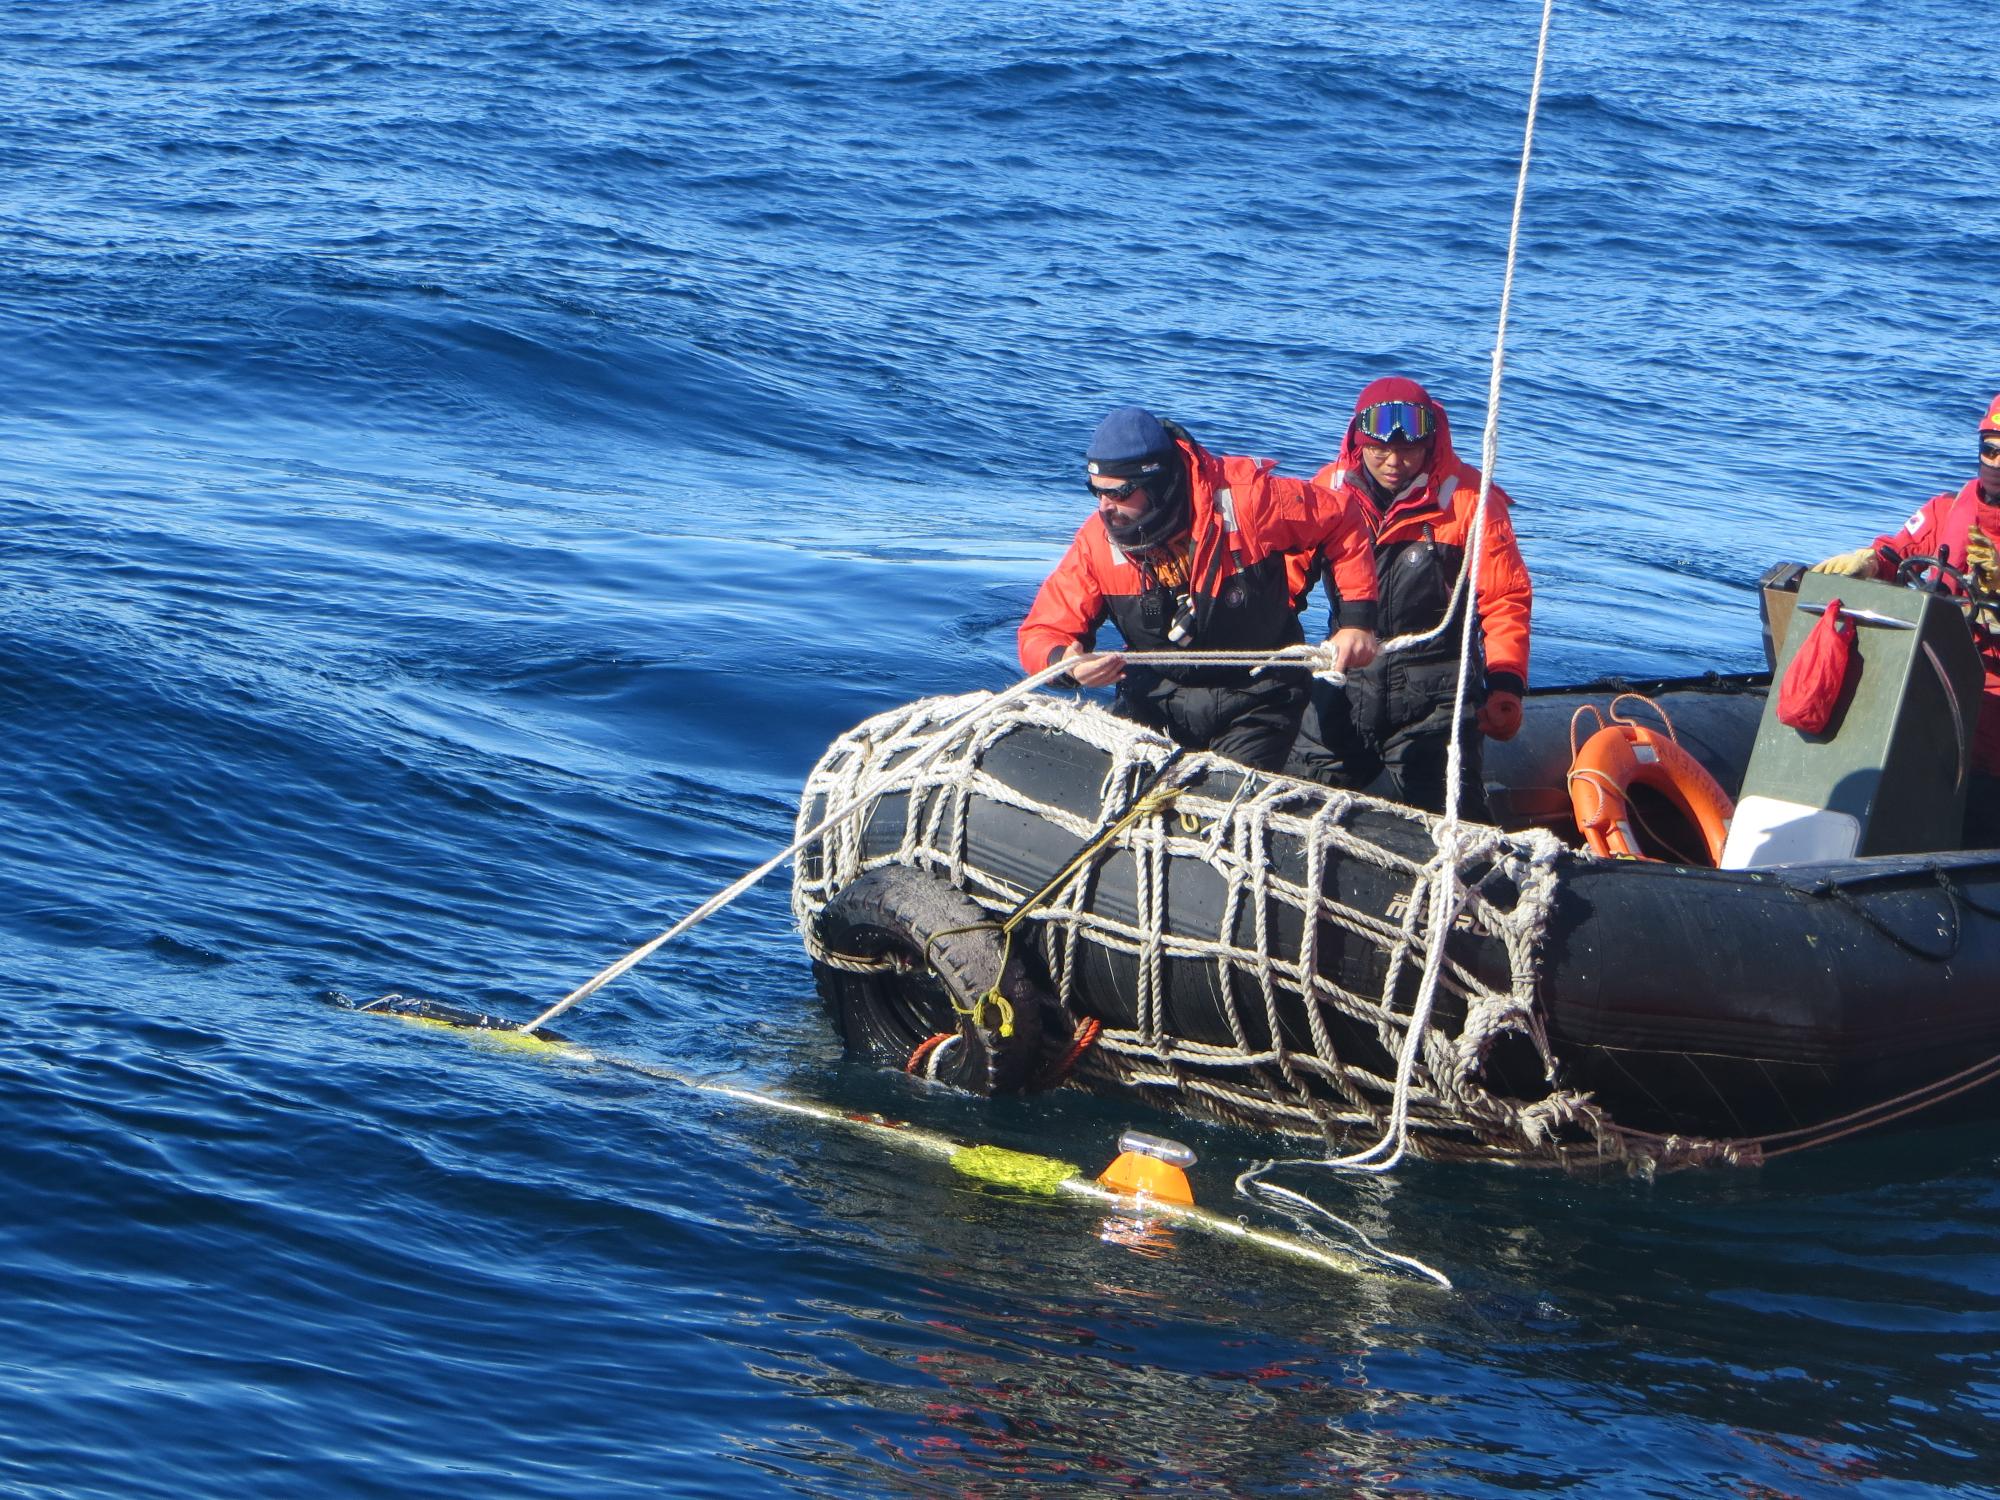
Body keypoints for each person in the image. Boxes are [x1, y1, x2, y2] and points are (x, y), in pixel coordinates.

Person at [1017, 405, 1381, 772]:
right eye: (1096, 492)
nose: (1105, 508)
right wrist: (1067, 665)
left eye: (1120, 493)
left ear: (1156, 483)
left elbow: (1342, 519)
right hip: (1154, 694)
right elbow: (1042, 631)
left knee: (1220, 810)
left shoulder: (1249, 501)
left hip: (1257, 696)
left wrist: (1357, 620)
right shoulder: (1095, 544)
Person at [1284, 377, 1533, 818]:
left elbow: (1505, 598)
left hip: (1437, 694)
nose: (1394, 462)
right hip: (1346, 678)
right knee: (1296, 799)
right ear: (1360, 443)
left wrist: (1506, 682)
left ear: (1430, 444)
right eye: (1380, 449)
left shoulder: (1473, 502)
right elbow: (1288, 577)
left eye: (1409, 450)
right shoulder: (1330, 489)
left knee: (1452, 819)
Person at [1810, 391, 2000, 843]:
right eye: (1990, 448)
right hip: (1945, 701)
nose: (1995, 461)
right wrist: (1870, 562)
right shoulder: (1947, 511)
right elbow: (1899, 551)